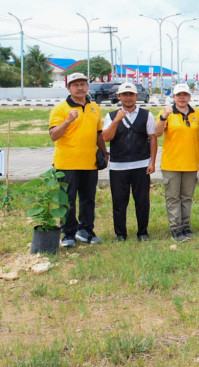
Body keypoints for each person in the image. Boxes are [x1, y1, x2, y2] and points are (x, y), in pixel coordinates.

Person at [49, 72, 108, 247]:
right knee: (67, 200)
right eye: (76, 85)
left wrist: (104, 152)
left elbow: (98, 134)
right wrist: (68, 121)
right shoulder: (60, 109)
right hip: (67, 163)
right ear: (69, 88)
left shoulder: (94, 108)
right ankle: (68, 234)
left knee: (88, 199)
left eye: (83, 84)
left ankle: (86, 230)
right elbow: (54, 135)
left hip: (89, 162)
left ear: (87, 87)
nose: (80, 88)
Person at [101, 82, 156, 242]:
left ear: (136, 96)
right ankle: (120, 234)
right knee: (119, 201)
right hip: (118, 166)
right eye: (124, 94)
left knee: (142, 201)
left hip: (141, 165)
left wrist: (152, 162)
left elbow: (152, 138)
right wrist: (116, 121)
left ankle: (143, 232)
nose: (128, 97)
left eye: (131, 94)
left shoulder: (147, 115)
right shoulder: (111, 116)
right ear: (119, 97)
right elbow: (106, 137)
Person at [155, 83, 199, 242]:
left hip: (190, 164)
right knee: (173, 197)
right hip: (172, 164)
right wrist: (164, 116)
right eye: (179, 95)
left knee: (187, 197)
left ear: (189, 96)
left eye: (185, 95)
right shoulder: (166, 113)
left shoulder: (197, 114)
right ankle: (175, 229)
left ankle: (186, 226)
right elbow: (157, 133)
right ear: (174, 97)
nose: (182, 98)